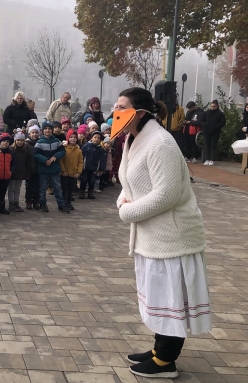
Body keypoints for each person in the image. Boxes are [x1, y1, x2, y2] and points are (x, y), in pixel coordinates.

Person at [113, 87, 210, 379]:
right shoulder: (135, 138)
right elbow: (128, 181)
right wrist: (122, 199)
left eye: (121, 107)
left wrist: (126, 211)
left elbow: (167, 194)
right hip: (152, 234)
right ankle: (159, 350)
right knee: (157, 295)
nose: (116, 112)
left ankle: (167, 360)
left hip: (173, 236)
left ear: (139, 112)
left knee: (171, 297)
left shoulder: (160, 143)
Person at [34, 121, 69, 213]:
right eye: (45, 129)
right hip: (44, 169)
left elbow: (62, 151)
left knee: (57, 187)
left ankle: (61, 204)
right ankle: (42, 203)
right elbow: (36, 154)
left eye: (49, 129)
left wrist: (55, 157)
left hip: (55, 169)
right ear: (42, 130)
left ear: (52, 130)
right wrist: (45, 160)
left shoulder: (57, 141)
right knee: (43, 188)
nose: (48, 130)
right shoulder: (39, 142)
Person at [60, 130, 82, 211]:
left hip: (73, 173)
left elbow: (80, 162)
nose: (73, 139)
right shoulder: (64, 149)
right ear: (68, 138)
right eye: (71, 137)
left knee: (70, 189)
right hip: (64, 173)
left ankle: (69, 202)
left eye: (75, 137)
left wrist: (79, 172)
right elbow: (61, 161)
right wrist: (63, 170)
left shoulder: (79, 150)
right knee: (63, 189)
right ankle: (63, 203)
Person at [80, 131, 106, 200]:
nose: (96, 139)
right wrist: (80, 166)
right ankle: (82, 192)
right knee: (84, 180)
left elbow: (102, 159)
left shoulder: (100, 149)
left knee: (92, 181)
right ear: (91, 138)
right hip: (85, 168)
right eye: (95, 137)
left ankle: (90, 193)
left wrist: (101, 169)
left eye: (98, 138)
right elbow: (81, 157)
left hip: (94, 168)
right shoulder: (85, 146)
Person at [202, 100, 225, 166]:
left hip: (215, 132)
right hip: (206, 132)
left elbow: (222, 122)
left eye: (214, 106)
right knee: (207, 145)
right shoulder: (206, 113)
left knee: (213, 146)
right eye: (211, 106)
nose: (212, 108)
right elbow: (201, 121)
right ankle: (207, 159)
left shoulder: (220, 114)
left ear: (217, 106)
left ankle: (212, 159)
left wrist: (216, 126)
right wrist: (204, 124)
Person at [24, 125, 41, 210]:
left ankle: (36, 201)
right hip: (29, 169)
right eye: (33, 132)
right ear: (29, 134)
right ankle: (28, 201)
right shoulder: (26, 144)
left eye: (36, 132)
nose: (34, 134)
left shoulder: (41, 143)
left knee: (37, 187)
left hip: (39, 169)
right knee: (29, 187)